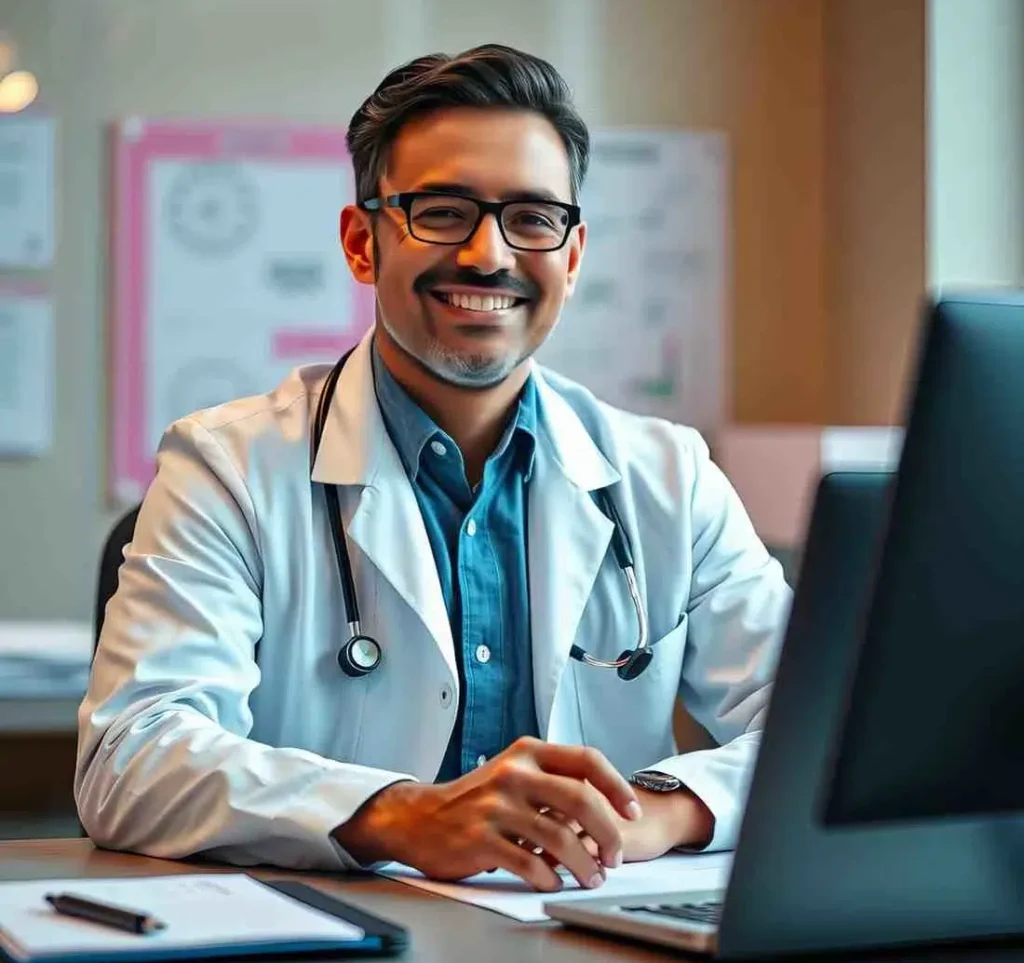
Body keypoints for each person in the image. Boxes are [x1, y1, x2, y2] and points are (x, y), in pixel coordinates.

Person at [76, 44, 790, 894]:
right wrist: (400, 816)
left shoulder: (669, 479)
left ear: (572, 253)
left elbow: (820, 729)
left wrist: (651, 811)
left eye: (531, 218)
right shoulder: (227, 466)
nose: (490, 255)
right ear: (360, 242)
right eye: (444, 212)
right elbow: (133, 754)